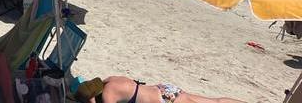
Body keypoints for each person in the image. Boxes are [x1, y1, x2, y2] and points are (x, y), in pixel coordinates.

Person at [99, 76, 243, 103]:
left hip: (165, 100)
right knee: (215, 101)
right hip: (165, 89)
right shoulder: (111, 79)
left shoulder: (109, 94)